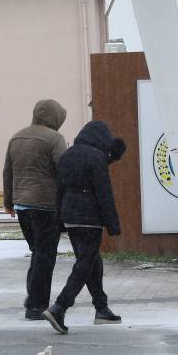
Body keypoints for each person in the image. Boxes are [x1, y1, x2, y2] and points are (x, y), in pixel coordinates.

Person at [43, 121, 125, 335]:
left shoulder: (67, 156)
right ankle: (60, 307)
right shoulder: (97, 158)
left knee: (92, 263)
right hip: (90, 218)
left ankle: (101, 308)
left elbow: (58, 190)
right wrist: (113, 224)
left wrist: (59, 218)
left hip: (70, 216)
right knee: (84, 265)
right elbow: (103, 193)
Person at [3, 99, 68, 320]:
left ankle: (33, 296)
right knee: (45, 255)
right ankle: (36, 305)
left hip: (22, 205)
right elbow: (64, 171)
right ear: (56, 117)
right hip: (46, 205)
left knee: (38, 253)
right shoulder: (55, 139)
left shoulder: (17, 137)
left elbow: (7, 171)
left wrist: (9, 202)